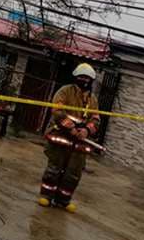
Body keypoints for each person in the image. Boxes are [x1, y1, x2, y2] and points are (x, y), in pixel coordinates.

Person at [37, 63, 101, 213]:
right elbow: (57, 111)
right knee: (54, 169)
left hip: (79, 143)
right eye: (81, 77)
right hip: (61, 136)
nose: (84, 80)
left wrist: (86, 130)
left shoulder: (92, 99)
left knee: (73, 174)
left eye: (87, 78)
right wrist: (70, 128)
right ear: (76, 77)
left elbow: (96, 119)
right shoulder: (65, 91)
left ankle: (63, 200)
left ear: (91, 80)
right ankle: (46, 196)